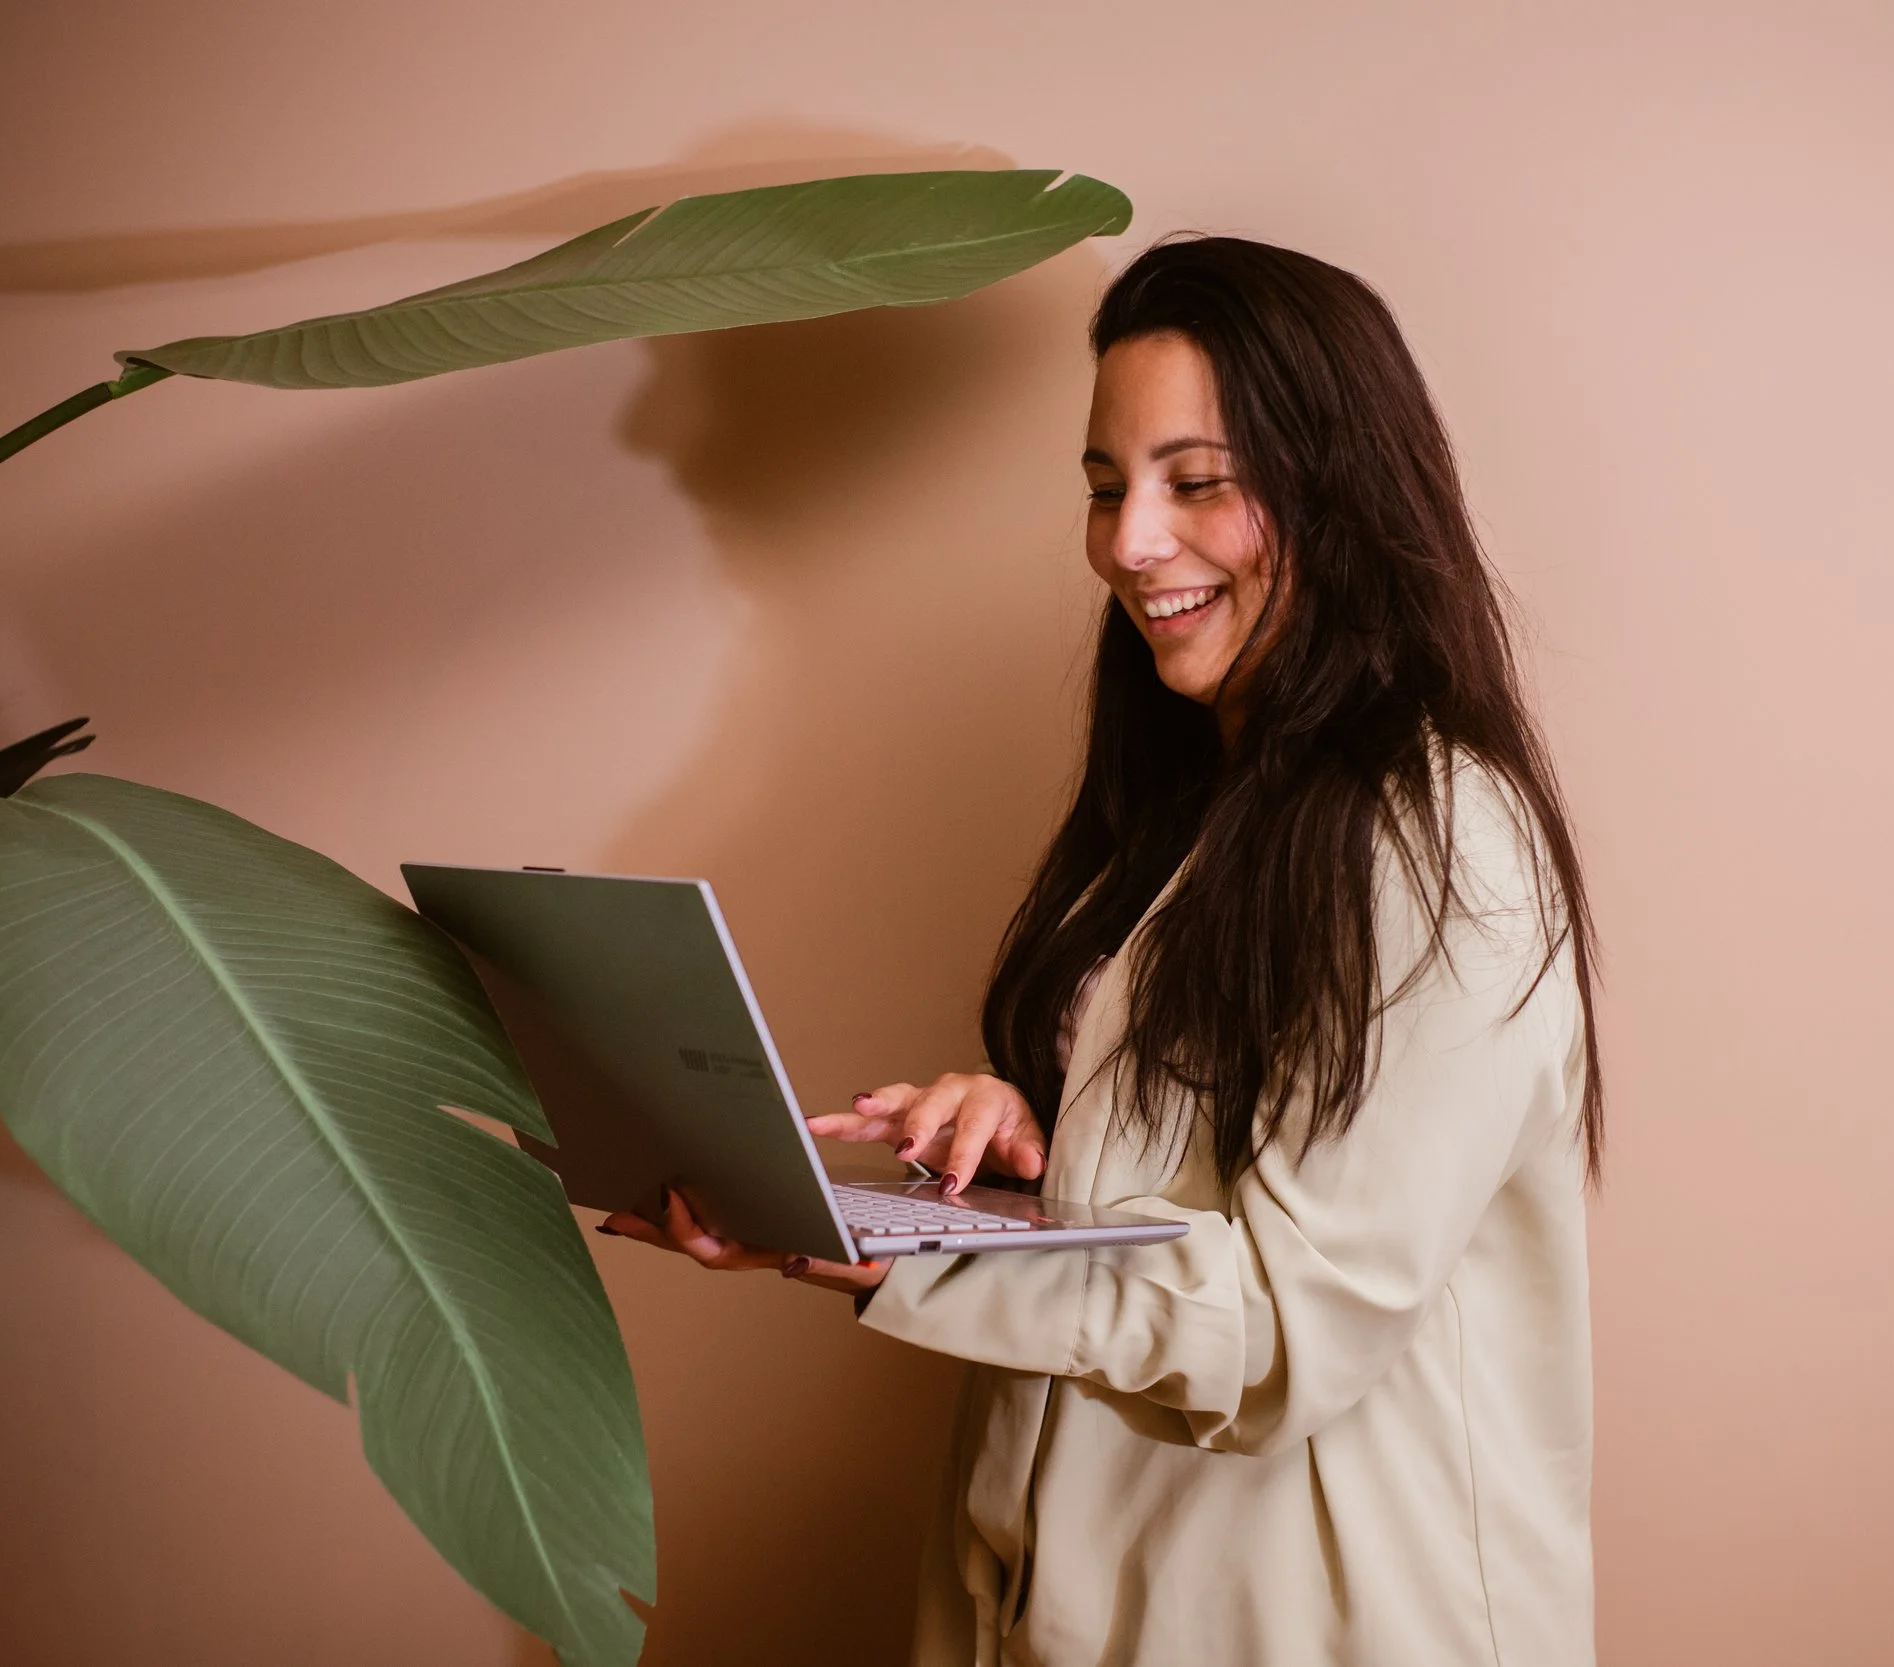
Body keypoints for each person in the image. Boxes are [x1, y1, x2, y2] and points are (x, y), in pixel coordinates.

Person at [601, 234, 1604, 1667]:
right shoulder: (1190, 807)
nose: (1130, 542)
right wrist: (1028, 1145)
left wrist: (878, 1255)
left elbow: (1284, 1324)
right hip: (1079, 1587)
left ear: (1342, 485)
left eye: (1197, 483)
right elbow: (1183, 1176)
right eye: (1104, 487)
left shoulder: (1443, 837)